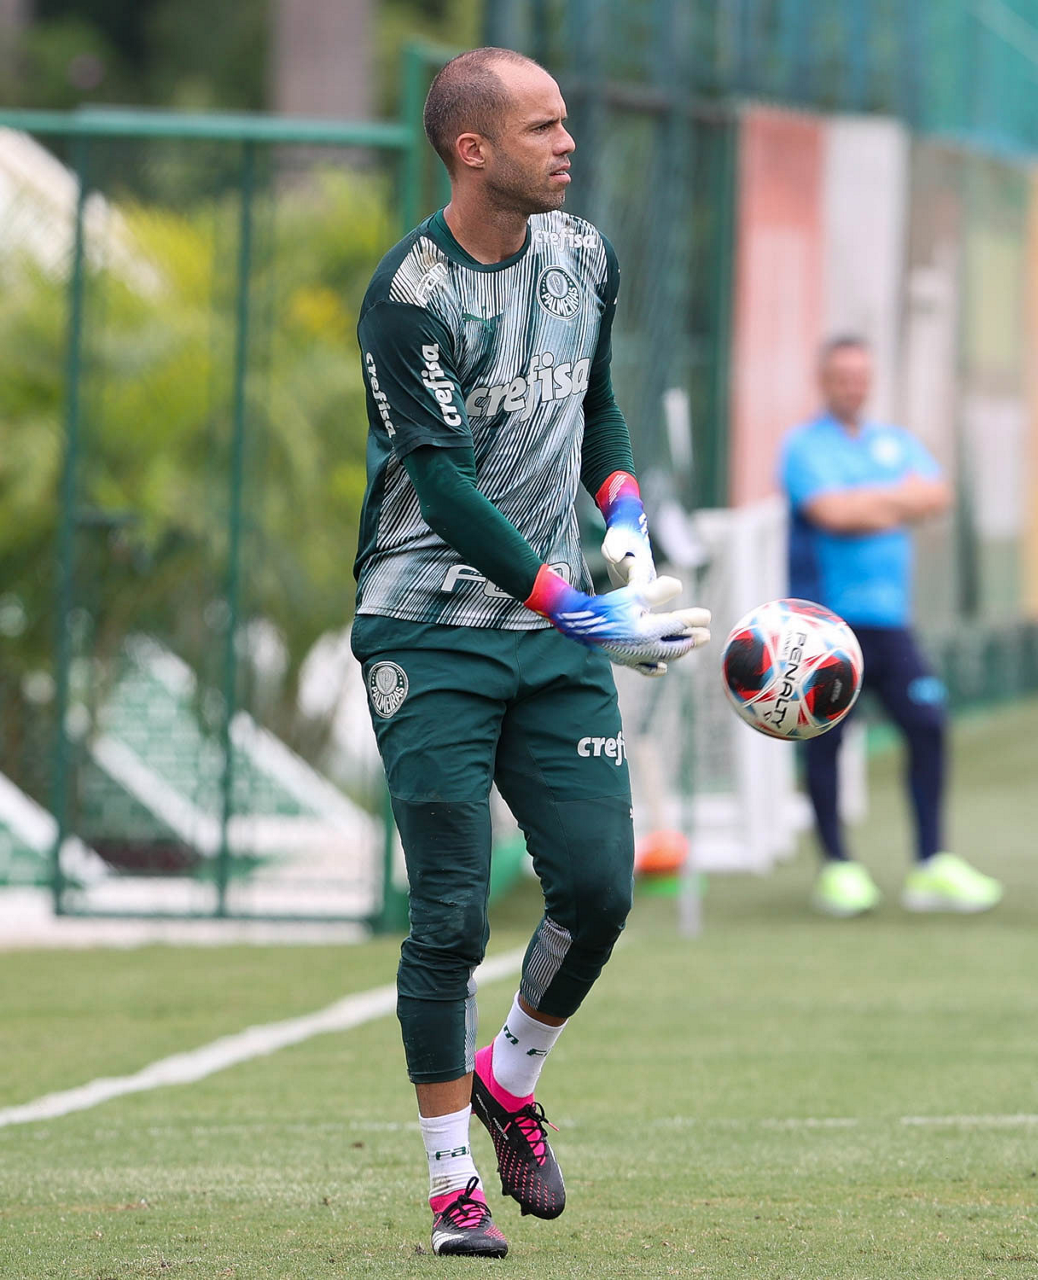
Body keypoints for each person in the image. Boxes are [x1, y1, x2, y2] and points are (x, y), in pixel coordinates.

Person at [351, 47, 710, 1258]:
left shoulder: (583, 254)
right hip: (429, 632)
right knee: (451, 911)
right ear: (473, 150)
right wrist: (582, 611)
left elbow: (596, 406)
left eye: (565, 122)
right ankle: (452, 1185)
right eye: (542, 127)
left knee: (600, 888)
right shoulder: (409, 297)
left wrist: (626, 523)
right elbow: (446, 491)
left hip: (553, 631)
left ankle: (511, 1079)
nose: (568, 143)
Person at [779, 335, 1002, 918]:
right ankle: (838, 869)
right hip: (827, 627)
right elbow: (834, 515)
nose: (853, 386)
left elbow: (937, 495)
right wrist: (898, 501)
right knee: (827, 740)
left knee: (928, 723)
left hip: (891, 623)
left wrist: (867, 504)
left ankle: (931, 864)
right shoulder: (804, 446)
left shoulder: (894, 441)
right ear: (825, 381)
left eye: (861, 376)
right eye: (842, 376)